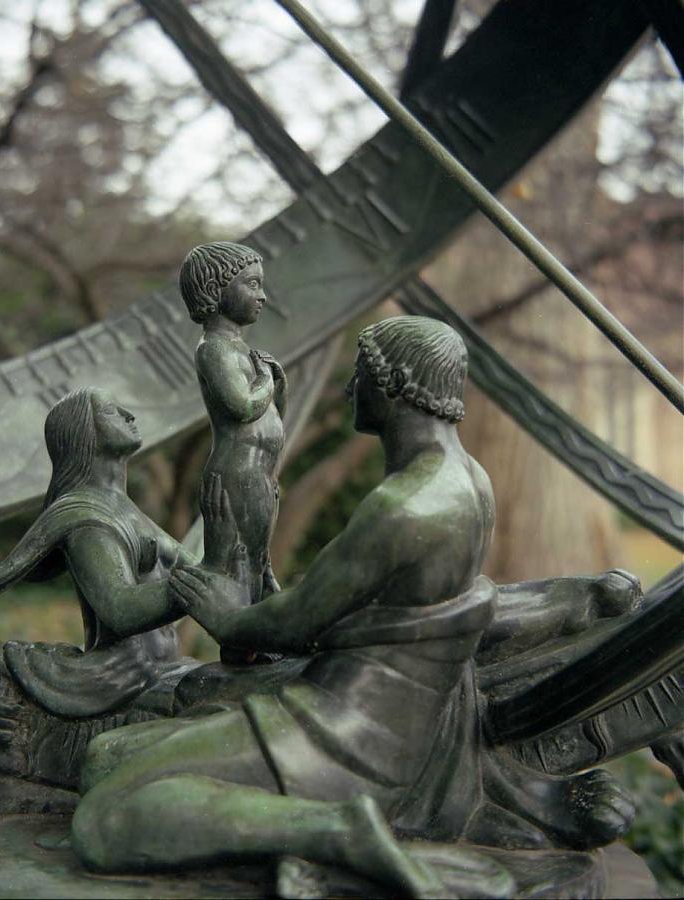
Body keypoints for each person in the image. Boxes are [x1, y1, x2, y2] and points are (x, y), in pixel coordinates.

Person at [68, 317, 635, 894]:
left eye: (360, 374)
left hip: (345, 736)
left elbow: (294, 623)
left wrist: (224, 617)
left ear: (395, 386)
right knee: (104, 757)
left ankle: (338, 832)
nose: (349, 389)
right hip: (386, 719)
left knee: (104, 821)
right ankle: (304, 825)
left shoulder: (404, 505)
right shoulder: (470, 479)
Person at [0, 388, 196, 717]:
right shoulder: (85, 514)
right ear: (83, 433)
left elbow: (200, 567)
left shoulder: (127, 510)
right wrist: (196, 590)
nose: (129, 414)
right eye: (112, 411)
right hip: (121, 683)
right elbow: (119, 610)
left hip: (162, 670)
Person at [179, 242, 286, 614]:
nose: (262, 296)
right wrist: (267, 380)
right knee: (238, 571)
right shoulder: (214, 349)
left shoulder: (241, 350)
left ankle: (260, 631)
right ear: (216, 289)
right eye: (252, 284)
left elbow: (270, 415)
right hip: (237, 475)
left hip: (260, 475)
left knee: (258, 566)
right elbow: (242, 407)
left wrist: (277, 384)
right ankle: (239, 636)